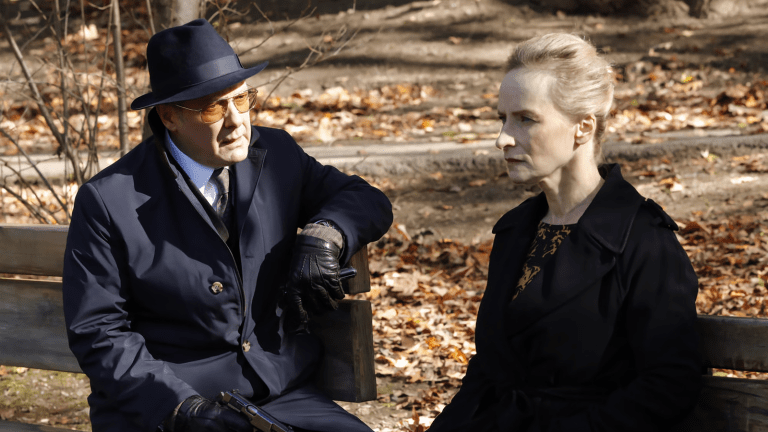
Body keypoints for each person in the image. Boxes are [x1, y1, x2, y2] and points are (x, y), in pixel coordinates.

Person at [62, 19, 392, 432]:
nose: (237, 121)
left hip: (279, 394)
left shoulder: (277, 155)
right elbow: (99, 331)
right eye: (215, 107)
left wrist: (326, 233)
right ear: (169, 117)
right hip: (167, 409)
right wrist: (182, 409)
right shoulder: (109, 199)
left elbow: (367, 199)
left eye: (243, 99)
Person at [427, 33, 702, 432]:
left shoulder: (643, 241)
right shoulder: (516, 231)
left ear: (583, 127)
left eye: (525, 119)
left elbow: (668, 386)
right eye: (502, 118)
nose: (502, 138)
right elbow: (489, 372)